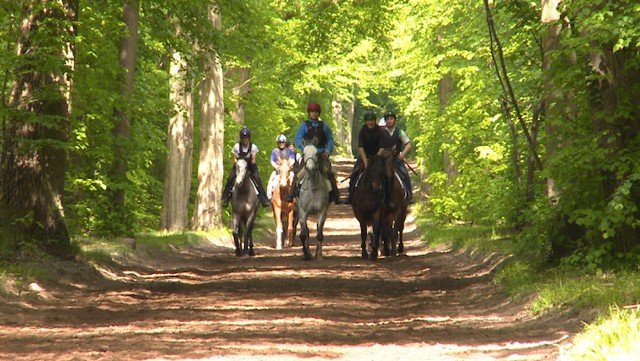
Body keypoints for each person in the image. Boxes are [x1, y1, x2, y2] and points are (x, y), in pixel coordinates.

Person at [286, 102, 341, 204]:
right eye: (312, 112)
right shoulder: (304, 126)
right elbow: (298, 138)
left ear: (318, 113)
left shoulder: (324, 126)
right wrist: (304, 148)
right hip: (308, 156)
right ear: (309, 113)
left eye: (316, 112)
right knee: (298, 173)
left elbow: (330, 139)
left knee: (328, 173)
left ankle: (335, 196)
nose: (314, 114)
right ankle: (292, 193)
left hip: (321, 155)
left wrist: (328, 150)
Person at [343, 111, 388, 205]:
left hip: (377, 156)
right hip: (365, 156)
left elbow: (382, 147)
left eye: (372, 120)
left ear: (375, 121)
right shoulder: (362, 131)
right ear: (365, 121)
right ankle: (351, 195)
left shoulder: (380, 131)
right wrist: (365, 161)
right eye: (368, 120)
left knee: (385, 173)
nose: (370, 122)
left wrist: (376, 158)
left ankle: (388, 197)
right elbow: (361, 147)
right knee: (354, 174)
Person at [221, 126, 271, 208]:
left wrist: (248, 163)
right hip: (239, 166)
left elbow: (253, 160)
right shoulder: (237, 147)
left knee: (257, 179)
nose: (245, 140)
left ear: (249, 138)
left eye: (246, 138)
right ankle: (226, 198)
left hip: (250, 166)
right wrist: (239, 164)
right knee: (230, 178)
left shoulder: (253, 147)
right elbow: (234, 159)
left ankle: (263, 199)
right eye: (243, 138)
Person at [380, 111, 414, 203]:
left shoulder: (399, 132)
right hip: (383, 160)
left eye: (391, 119)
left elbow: (408, 144)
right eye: (387, 119)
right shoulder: (381, 132)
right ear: (385, 121)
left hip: (396, 159)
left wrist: (403, 154)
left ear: (394, 120)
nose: (389, 121)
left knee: (405, 174)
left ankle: (409, 195)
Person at [266, 134, 296, 200]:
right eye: (280, 142)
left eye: (282, 142)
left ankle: (297, 196)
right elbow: (272, 161)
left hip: (287, 171)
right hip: (278, 171)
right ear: (277, 143)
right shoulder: (275, 151)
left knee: (295, 180)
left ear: (285, 142)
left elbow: (293, 159)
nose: (281, 144)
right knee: (271, 182)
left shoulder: (289, 151)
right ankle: (269, 196)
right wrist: (276, 167)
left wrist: (289, 165)